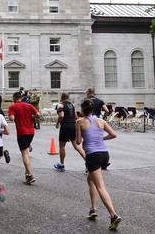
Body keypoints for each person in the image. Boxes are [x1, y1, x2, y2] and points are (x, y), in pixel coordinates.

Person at [75, 99, 121, 231]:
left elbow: (78, 142)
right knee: (90, 179)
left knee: (100, 186)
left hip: (93, 156)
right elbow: (113, 134)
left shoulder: (79, 122)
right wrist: (101, 138)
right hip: (104, 154)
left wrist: (79, 130)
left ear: (83, 110)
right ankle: (93, 209)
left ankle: (113, 215)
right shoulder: (101, 121)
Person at [8, 92, 40, 185]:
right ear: (21, 98)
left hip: (22, 132)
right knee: (26, 152)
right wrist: (30, 117)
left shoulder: (13, 107)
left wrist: (15, 117)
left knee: (25, 154)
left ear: (14, 98)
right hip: (31, 132)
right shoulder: (28, 105)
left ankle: (30, 175)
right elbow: (38, 114)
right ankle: (27, 175)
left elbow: (11, 118)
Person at [53, 93, 85, 172]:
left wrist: (57, 123)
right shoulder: (72, 105)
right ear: (68, 98)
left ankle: (61, 165)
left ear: (61, 97)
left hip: (65, 126)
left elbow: (61, 116)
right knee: (77, 146)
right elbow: (75, 117)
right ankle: (88, 163)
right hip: (73, 126)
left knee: (62, 146)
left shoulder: (60, 105)